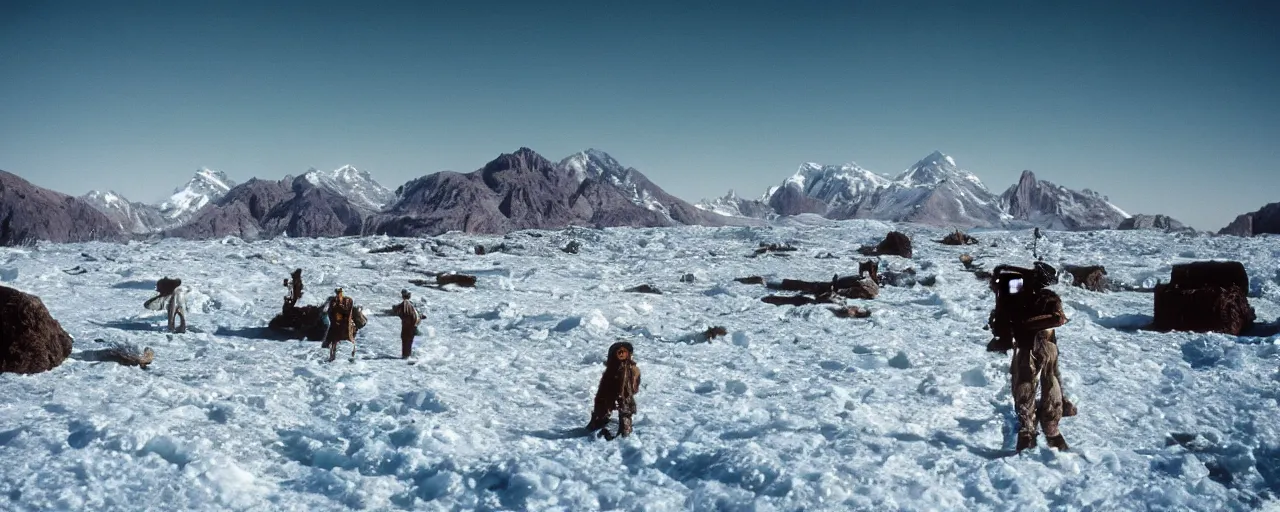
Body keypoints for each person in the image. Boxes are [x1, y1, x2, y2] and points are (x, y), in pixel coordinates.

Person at [986, 262, 1076, 452]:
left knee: (1028, 384)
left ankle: (1030, 432)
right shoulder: (1046, 297)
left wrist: (1015, 328)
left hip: (1028, 345)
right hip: (1043, 344)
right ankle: (1049, 432)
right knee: (1048, 381)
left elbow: (1005, 315)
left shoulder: (1018, 293)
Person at [586, 341, 642, 439]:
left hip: (625, 393)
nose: (621, 354)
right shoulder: (611, 369)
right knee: (603, 402)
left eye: (623, 352)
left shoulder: (631, 369)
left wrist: (630, 387)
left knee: (625, 408)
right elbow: (604, 384)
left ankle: (625, 428)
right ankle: (599, 419)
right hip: (609, 389)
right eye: (619, 352)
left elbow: (634, 386)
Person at [323, 288, 357, 362]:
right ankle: (332, 357)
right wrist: (334, 320)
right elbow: (330, 312)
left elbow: (348, 312)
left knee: (351, 339)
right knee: (333, 340)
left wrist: (339, 307)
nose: (338, 294)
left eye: (340, 292)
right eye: (337, 292)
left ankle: (353, 356)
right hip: (336, 324)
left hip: (346, 324)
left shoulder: (348, 300)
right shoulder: (333, 301)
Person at [393, 289, 421, 359]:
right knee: (409, 340)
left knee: (412, 338)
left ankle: (410, 354)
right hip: (410, 326)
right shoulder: (406, 303)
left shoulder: (408, 303)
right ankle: (409, 355)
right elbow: (406, 313)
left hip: (410, 326)